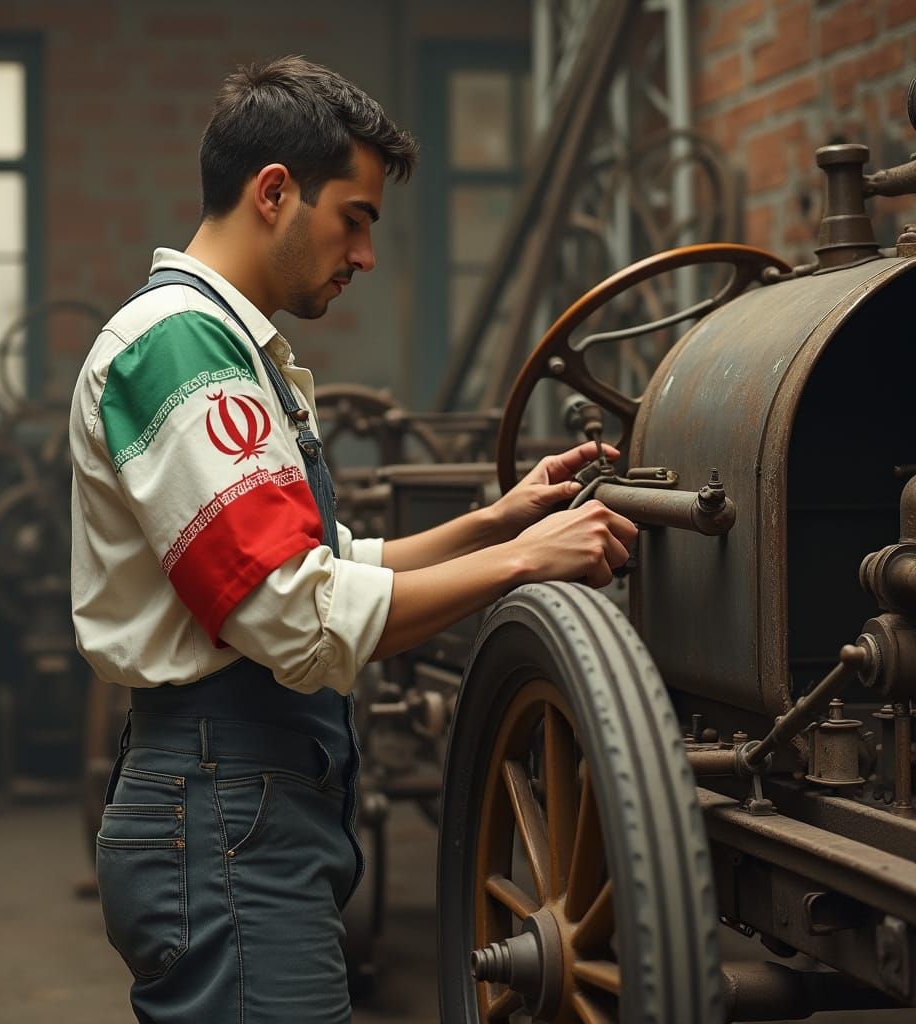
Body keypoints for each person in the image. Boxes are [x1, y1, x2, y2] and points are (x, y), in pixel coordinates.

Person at [69, 55, 636, 1024]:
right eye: (357, 218)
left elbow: (323, 567)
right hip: (223, 805)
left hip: (248, 797)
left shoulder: (232, 347)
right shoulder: (179, 345)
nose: (365, 254)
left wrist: (496, 522)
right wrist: (527, 563)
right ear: (275, 192)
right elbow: (292, 614)